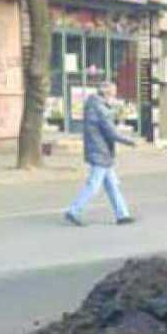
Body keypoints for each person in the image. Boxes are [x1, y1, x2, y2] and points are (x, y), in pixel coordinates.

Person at [65, 82, 136, 227]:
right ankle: (74, 210)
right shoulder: (100, 109)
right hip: (100, 151)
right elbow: (111, 132)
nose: (114, 97)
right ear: (106, 94)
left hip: (99, 151)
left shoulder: (92, 105)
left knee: (112, 185)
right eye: (113, 94)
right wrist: (130, 141)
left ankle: (122, 215)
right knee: (93, 185)